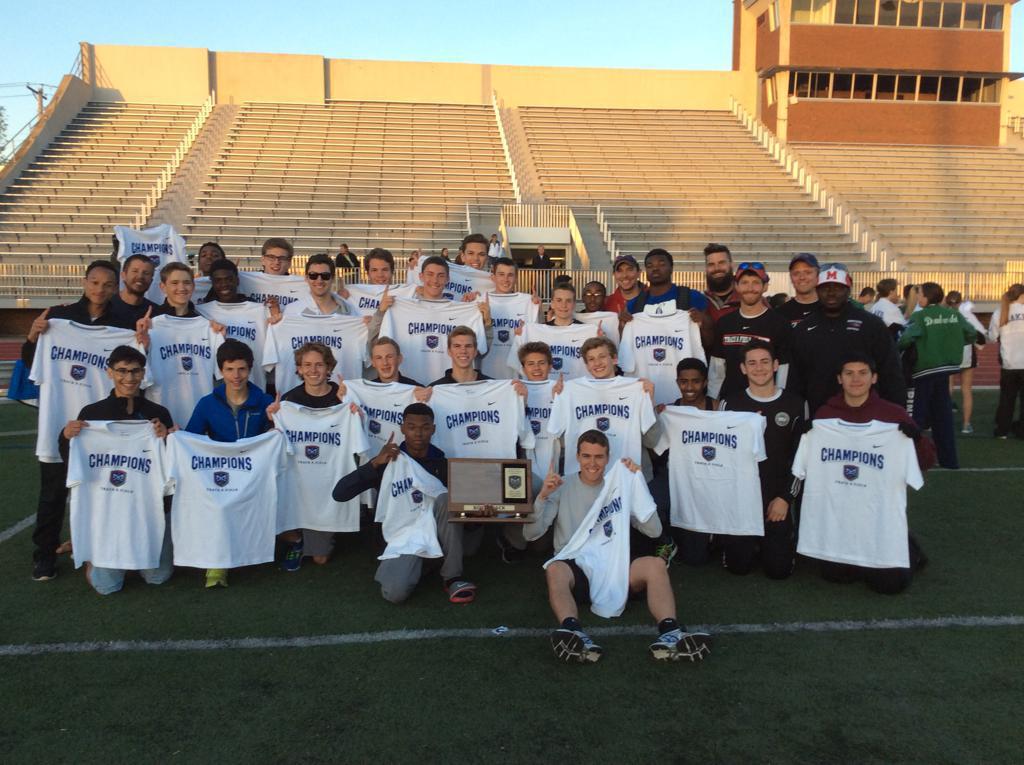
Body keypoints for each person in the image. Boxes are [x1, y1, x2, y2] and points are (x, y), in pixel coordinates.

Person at [527, 430, 711, 663]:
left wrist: (638, 486)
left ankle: (670, 633)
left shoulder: (619, 485)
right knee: (554, 569)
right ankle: (572, 632)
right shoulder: (563, 486)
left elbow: (654, 531)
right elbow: (531, 534)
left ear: (607, 457)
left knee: (655, 564)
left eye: (599, 457)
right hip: (577, 568)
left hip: (615, 565)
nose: (592, 463)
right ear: (577, 456)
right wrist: (542, 496)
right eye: (586, 456)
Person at [23, 260, 138, 581]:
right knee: (52, 495)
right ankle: (43, 556)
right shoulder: (58, 319)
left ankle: (97, 548)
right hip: (59, 423)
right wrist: (34, 337)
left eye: (107, 284)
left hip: (101, 428)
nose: (100, 289)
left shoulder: (123, 326)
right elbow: (33, 365)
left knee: (100, 493)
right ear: (85, 282)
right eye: (95, 282)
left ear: (116, 287)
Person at [332, 403, 479, 604]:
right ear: (402, 428)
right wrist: (374, 463)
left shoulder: (443, 465)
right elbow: (340, 493)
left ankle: (453, 576)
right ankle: (424, 564)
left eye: (425, 427)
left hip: (436, 533)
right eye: (411, 426)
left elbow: (458, 514)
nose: (418, 433)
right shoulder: (388, 463)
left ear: (433, 429)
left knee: (446, 498)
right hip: (403, 539)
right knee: (394, 594)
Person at [811, 353, 933, 593]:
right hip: (841, 515)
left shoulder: (893, 415)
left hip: (880, 515)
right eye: (849, 373)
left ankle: (907, 546)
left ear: (874, 378)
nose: (856, 379)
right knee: (836, 575)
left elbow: (927, 461)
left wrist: (916, 439)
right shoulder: (825, 416)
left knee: (889, 585)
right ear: (839, 379)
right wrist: (809, 434)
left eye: (862, 373)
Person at [59, 346, 175, 594]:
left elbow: (173, 465)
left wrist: (167, 438)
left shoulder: (158, 414)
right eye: (122, 371)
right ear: (109, 372)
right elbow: (73, 461)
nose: (129, 378)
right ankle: (95, 558)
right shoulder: (92, 415)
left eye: (135, 371)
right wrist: (66, 436)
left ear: (143, 373)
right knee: (106, 586)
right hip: (107, 510)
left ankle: (134, 554)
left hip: (147, 507)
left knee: (159, 577)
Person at [185, 339, 275, 588]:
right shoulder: (207, 403)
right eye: (230, 369)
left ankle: (263, 548)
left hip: (254, 472)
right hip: (220, 472)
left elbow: (278, 440)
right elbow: (191, 439)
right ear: (220, 371)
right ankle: (217, 564)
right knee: (219, 506)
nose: (236, 376)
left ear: (251, 368)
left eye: (242, 369)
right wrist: (175, 437)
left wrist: (276, 421)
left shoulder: (265, 401)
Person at [717, 341, 804, 579]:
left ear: (776, 365)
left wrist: (785, 498)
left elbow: (801, 458)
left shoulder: (795, 404)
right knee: (738, 567)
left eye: (765, 361)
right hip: (742, 498)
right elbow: (721, 455)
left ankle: (776, 539)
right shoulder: (730, 404)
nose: (759, 368)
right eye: (752, 363)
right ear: (743, 368)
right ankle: (743, 541)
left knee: (778, 571)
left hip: (775, 500)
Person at [788, 263, 904, 414]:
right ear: (817, 290)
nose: (831, 293)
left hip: (867, 417)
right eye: (825, 288)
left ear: (848, 290)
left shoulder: (871, 325)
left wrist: (898, 414)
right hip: (821, 417)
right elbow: (795, 380)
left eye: (837, 287)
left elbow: (891, 373)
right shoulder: (804, 329)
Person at [898, 282, 978, 469]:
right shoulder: (953, 314)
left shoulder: (920, 316)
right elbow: (971, 334)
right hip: (946, 369)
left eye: (920, 295)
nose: (918, 298)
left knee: (917, 419)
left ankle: (914, 459)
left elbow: (906, 340)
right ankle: (949, 460)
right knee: (944, 419)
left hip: (924, 371)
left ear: (926, 297)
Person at [708, 262, 790, 402]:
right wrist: (712, 399)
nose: (750, 288)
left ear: (765, 286)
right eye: (744, 282)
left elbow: (783, 369)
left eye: (756, 282)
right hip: (731, 403)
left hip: (765, 402)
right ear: (736, 286)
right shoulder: (725, 323)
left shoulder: (779, 324)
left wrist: (779, 401)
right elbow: (717, 368)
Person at [629, 248, 712, 350]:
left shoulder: (692, 297)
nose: (655, 269)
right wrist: (622, 326)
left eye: (661, 264)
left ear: (671, 268)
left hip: (682, 362)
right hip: (646, 364)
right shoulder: (634, 305)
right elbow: (627, 345)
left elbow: (710, 342)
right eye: (650, 266)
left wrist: (703, 322)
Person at [945, 290, 986, 435]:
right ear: (960, 302)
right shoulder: (967, 315)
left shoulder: (942, 315)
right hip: (967, 352)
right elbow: (980, 334)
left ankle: (945, 422)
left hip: (949, 353)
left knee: (948, 388)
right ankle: (966, 424)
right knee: (966, 390)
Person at [988, 284, 1024, 438]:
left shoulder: (1000, 312)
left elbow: (991, 337)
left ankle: (1002, 430)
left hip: (1009, 363)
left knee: (1007, 399)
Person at [285, 253, 354, 317]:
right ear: (306, 278)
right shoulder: (292, 311)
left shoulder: (351, 311)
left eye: (325, 275)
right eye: (313, 275)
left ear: (333, 278)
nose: (319, 280)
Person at [428, 326, 492, 386]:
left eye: (468, 346)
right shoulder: (434, 389)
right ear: (449, 351)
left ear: (475, 351)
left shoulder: (492, 386)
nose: (463, 351)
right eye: (457, 346)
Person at [110, 253, 158, 326]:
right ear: (123, 275)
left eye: (146, 273)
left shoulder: (156, 314)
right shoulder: (105, 307)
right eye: (135, 271)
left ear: (151, 280)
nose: (140, 276)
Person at [776, 253, 820, 327]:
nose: (802, 277)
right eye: (796, 273)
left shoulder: (831, 310)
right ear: (791, 277)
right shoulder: (779, 314)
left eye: (808, 272)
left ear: (818, 275)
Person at [702, 243, 739, 321]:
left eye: (722, 263)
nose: (717, 268)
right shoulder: (699, 301)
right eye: (711, 264)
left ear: (731, 265)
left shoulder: (747, 298)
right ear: (706, 268)